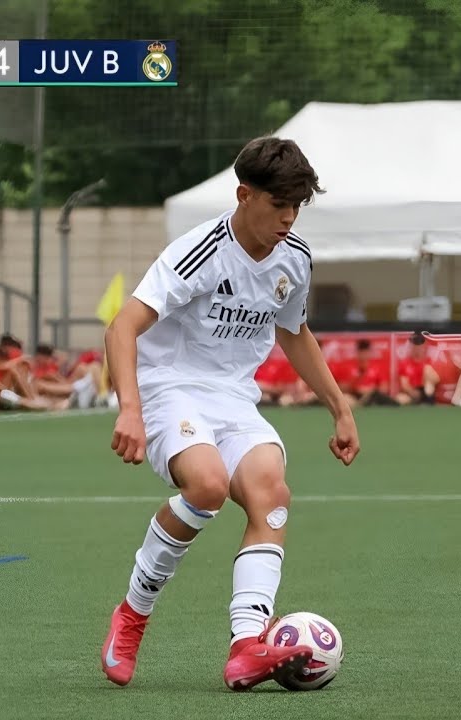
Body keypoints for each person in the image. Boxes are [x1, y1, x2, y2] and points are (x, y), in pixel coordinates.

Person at [99, 136, 360, 692]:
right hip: (170, 387)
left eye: (297, 207)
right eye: (278, 205)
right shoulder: (199, 251)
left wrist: (340, 409)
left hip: (234, 398)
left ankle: (247, 646)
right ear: (244, 195)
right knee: (208, 486)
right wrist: (130, 410)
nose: (288, 218)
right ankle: (133, 614)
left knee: (272, 493)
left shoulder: (295, 258)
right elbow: (122, 327)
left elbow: (294, 333)